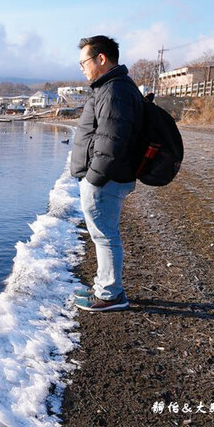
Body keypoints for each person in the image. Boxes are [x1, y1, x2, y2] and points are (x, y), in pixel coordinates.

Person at [70, 35, 144, 312]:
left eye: (83, 62)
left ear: (101, 59)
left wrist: (93, 178)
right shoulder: (111, 87)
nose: (82, 68)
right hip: (108, 177)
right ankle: (105, 288)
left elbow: (111, 141)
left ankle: (110, 295)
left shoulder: (114, 91)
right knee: (103, 235)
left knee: (105, 236)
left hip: (105, 179)